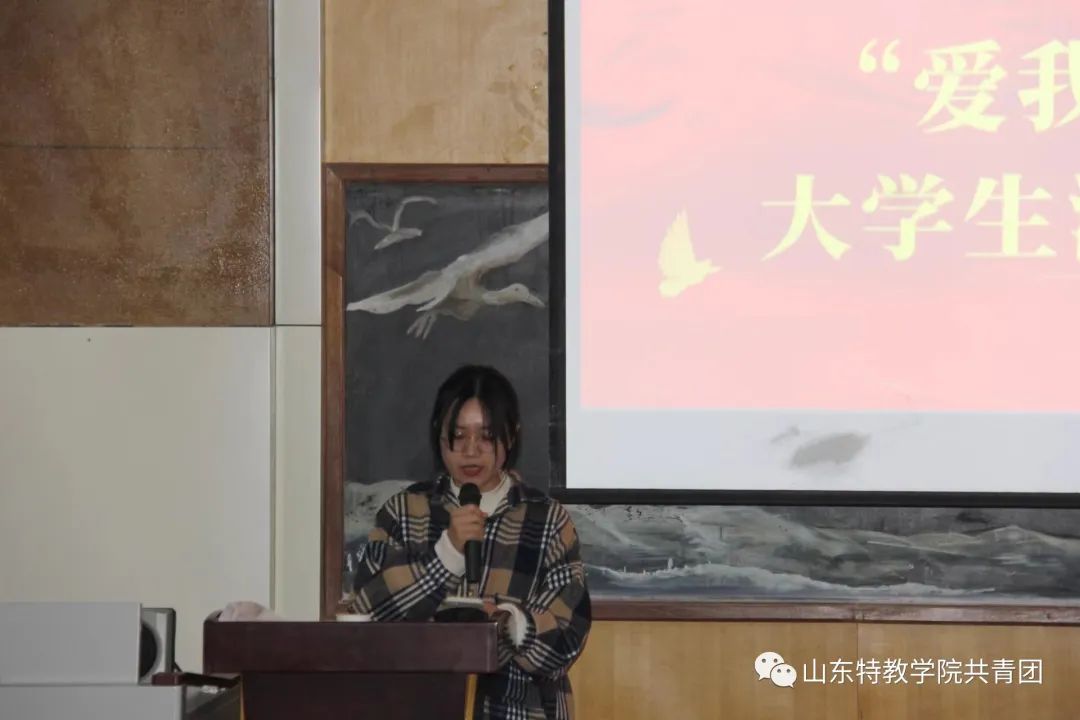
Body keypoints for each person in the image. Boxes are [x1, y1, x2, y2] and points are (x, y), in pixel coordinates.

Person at [344, 364, 591, 720]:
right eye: (458, 436)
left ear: (511, 436)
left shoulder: (548, 520)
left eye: (486, 436)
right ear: (439, 435)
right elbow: (365, 619)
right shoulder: (404, 512)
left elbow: (566, 644)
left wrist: (509, 623)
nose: (471, 451)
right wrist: (446, 556)